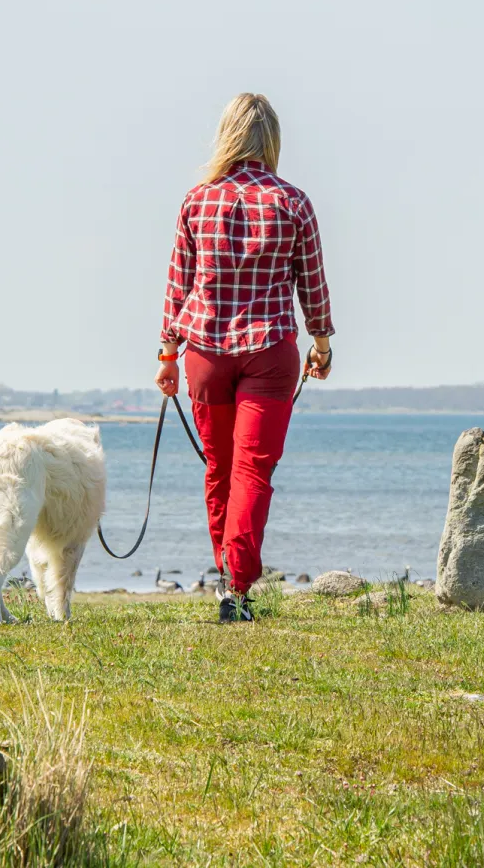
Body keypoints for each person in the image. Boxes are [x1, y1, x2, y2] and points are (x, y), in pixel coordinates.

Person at [155, 93, 334, 623]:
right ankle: (238, 586)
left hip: (205, 352)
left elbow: (177, 284)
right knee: (253, 471)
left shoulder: (197, 200)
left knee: (220, 470)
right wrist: (321, 345)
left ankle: (228, 579)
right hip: (271, 350)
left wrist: (168, 353)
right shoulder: (293, 202)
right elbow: (314, 287)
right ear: (272, 140)